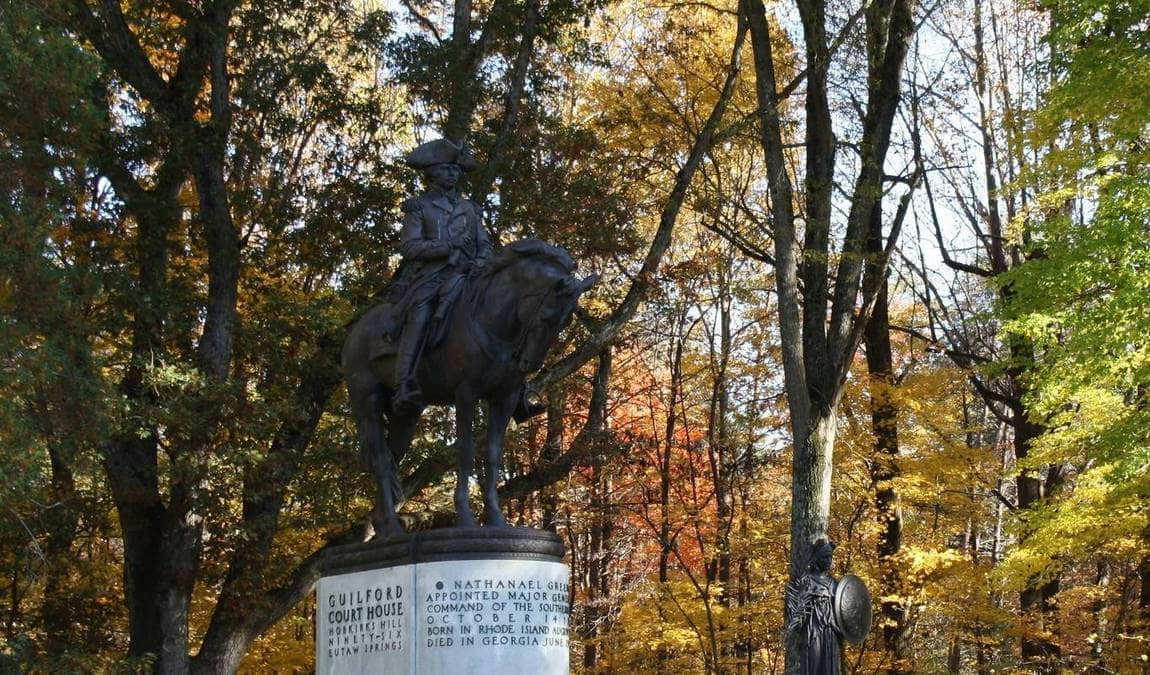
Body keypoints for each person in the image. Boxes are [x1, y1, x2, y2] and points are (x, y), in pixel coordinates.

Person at [385, 138, 491, 413]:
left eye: (455, 170)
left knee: (505, 309)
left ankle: (516, 391)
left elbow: (484, 244)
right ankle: (403, 384)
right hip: (432, 277)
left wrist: (480, 261)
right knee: (419, 315)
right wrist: (448, 247)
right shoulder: (419, 207)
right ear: (432, 172)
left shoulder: (469, 208)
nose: (453, 174)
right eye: (447, 169)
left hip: (469, 275)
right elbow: (410, 247)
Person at [785, 537, 843, 675]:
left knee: (831, 667)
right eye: (825, 557)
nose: (828, 561)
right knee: (814, 667)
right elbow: (796, 612)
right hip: (814, 631)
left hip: (831, 631)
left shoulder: (835, 584)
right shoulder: (807, 581)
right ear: (817, 558)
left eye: (830, 557)